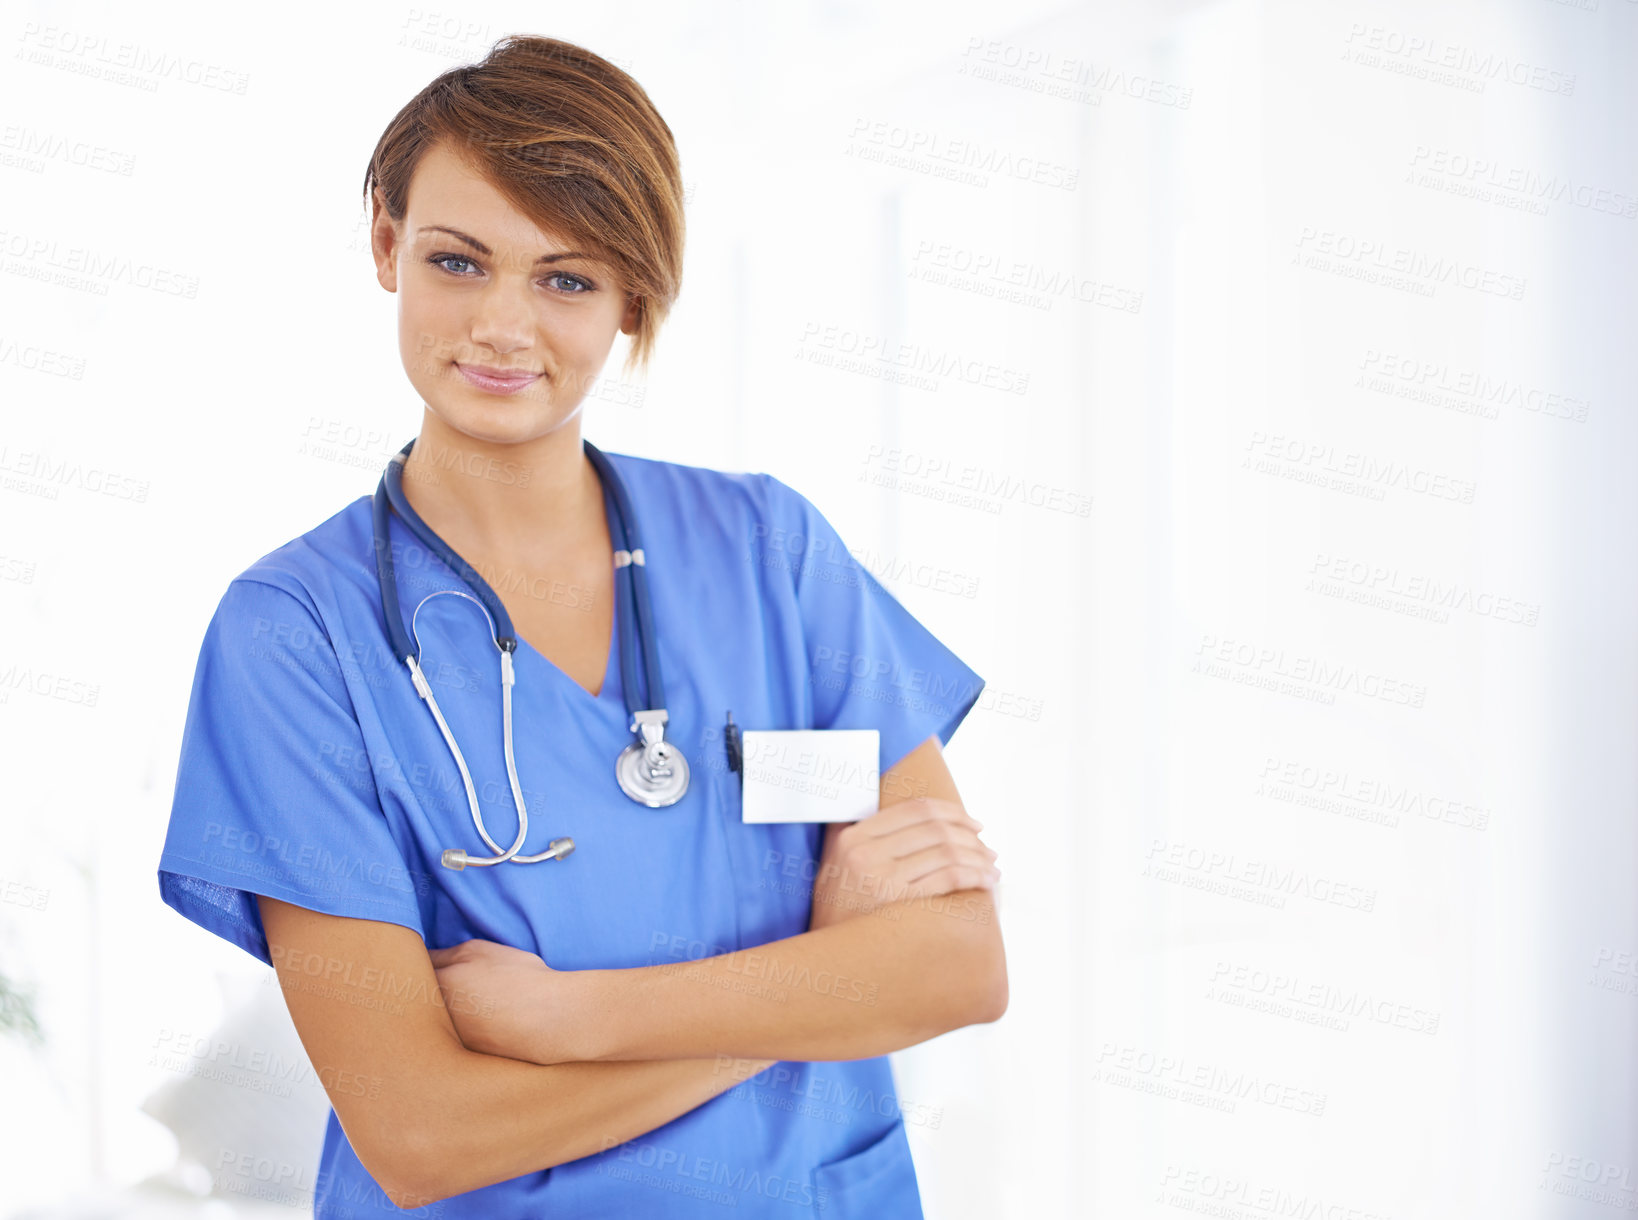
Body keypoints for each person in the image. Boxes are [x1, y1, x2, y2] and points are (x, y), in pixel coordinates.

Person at [155, 33, 1005, 1217]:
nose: (504, 325)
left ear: (632, 298)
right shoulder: (297, 635)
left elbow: (960, 963)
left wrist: (572, 1016)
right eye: (459, 261)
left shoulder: (769, 552)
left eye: (567, 278)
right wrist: (820, 985)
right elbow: (419, 1131)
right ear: (388, 246)